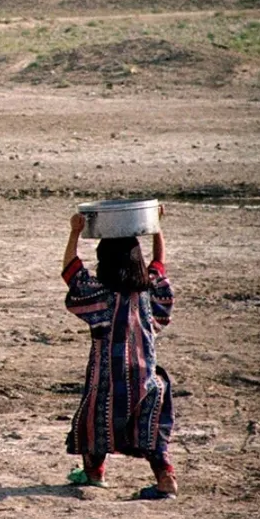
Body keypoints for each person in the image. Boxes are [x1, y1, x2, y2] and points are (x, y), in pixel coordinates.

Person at [61, 209, 174, 499]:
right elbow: (160, 265)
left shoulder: (102, 297)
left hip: (109, 379)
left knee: (93, 421)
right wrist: (155, 227)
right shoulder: (151, 292)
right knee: (150, 432)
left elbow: (71, 272)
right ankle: (165, 480)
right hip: (149, 380)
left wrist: (75, 231)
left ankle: (94, 472)